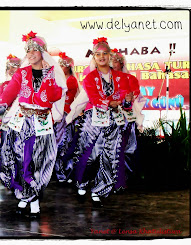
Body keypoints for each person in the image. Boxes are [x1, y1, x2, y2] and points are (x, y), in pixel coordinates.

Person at [0, 31, 67, 217]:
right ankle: (28, 197)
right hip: (22, 121)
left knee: (38, 162)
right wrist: (0, 106)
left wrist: (49, 82)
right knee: (20, 159)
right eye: (28, 50)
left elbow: (56, 96)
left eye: (35, 49)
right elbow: (10, 91)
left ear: (43, 51)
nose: (31, 53)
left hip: (42, 122)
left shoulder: (52, 71)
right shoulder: (22, 72)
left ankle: (32, 198)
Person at [72, 37, 132, 206]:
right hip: (93, 119)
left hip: (113, 119)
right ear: (94, 58)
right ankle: (82, 181)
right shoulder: (90, 77)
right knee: (89, 154)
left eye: (105, 53)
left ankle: (99, 189)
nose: (101, 57)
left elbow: (126, 103)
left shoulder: (120, 77)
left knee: (109, 155)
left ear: (110, 55)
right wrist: (110, 102)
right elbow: (95, 97)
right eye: (98, 54)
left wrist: (127, 100)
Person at [110, 48, 145, 192]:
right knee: (110, 149)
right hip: (110, 118)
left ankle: (123, 180)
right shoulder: (106, 78)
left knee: (125, 149)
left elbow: (136, 98)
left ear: (121, 63)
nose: (112, 64)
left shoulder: (130, 79)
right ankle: (109, 179)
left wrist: (126, 101)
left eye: (115, 61)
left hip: (125, 119)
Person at [53, 52, 80, 183]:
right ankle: (60, 171)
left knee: (64, 143)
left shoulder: (71, 80)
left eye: (62, 65)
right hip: (59, 114)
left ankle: (65, 172)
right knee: (58, 143)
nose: (60, 68)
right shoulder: (62, 79)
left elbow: (61, 93)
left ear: (68, 67)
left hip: (66, 115)